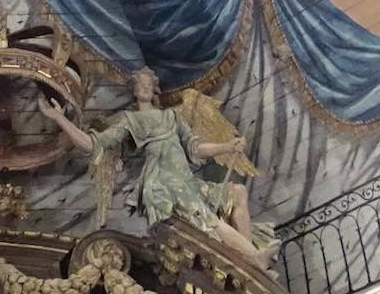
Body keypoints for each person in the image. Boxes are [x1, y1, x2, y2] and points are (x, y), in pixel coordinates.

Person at [38, 68, 276, 268]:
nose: (143, 87)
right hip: (163, 184)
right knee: (207, 218)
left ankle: (250, 261)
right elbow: (92, 144)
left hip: (186, 181)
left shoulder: (171, 116)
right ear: (134, 89)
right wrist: (59, 118)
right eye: (139, 83)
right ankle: (254, 258)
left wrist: (227, 146)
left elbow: (195, 149)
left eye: (147, 83)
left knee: (238, 192)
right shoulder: (130, 121)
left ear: (154, 89)